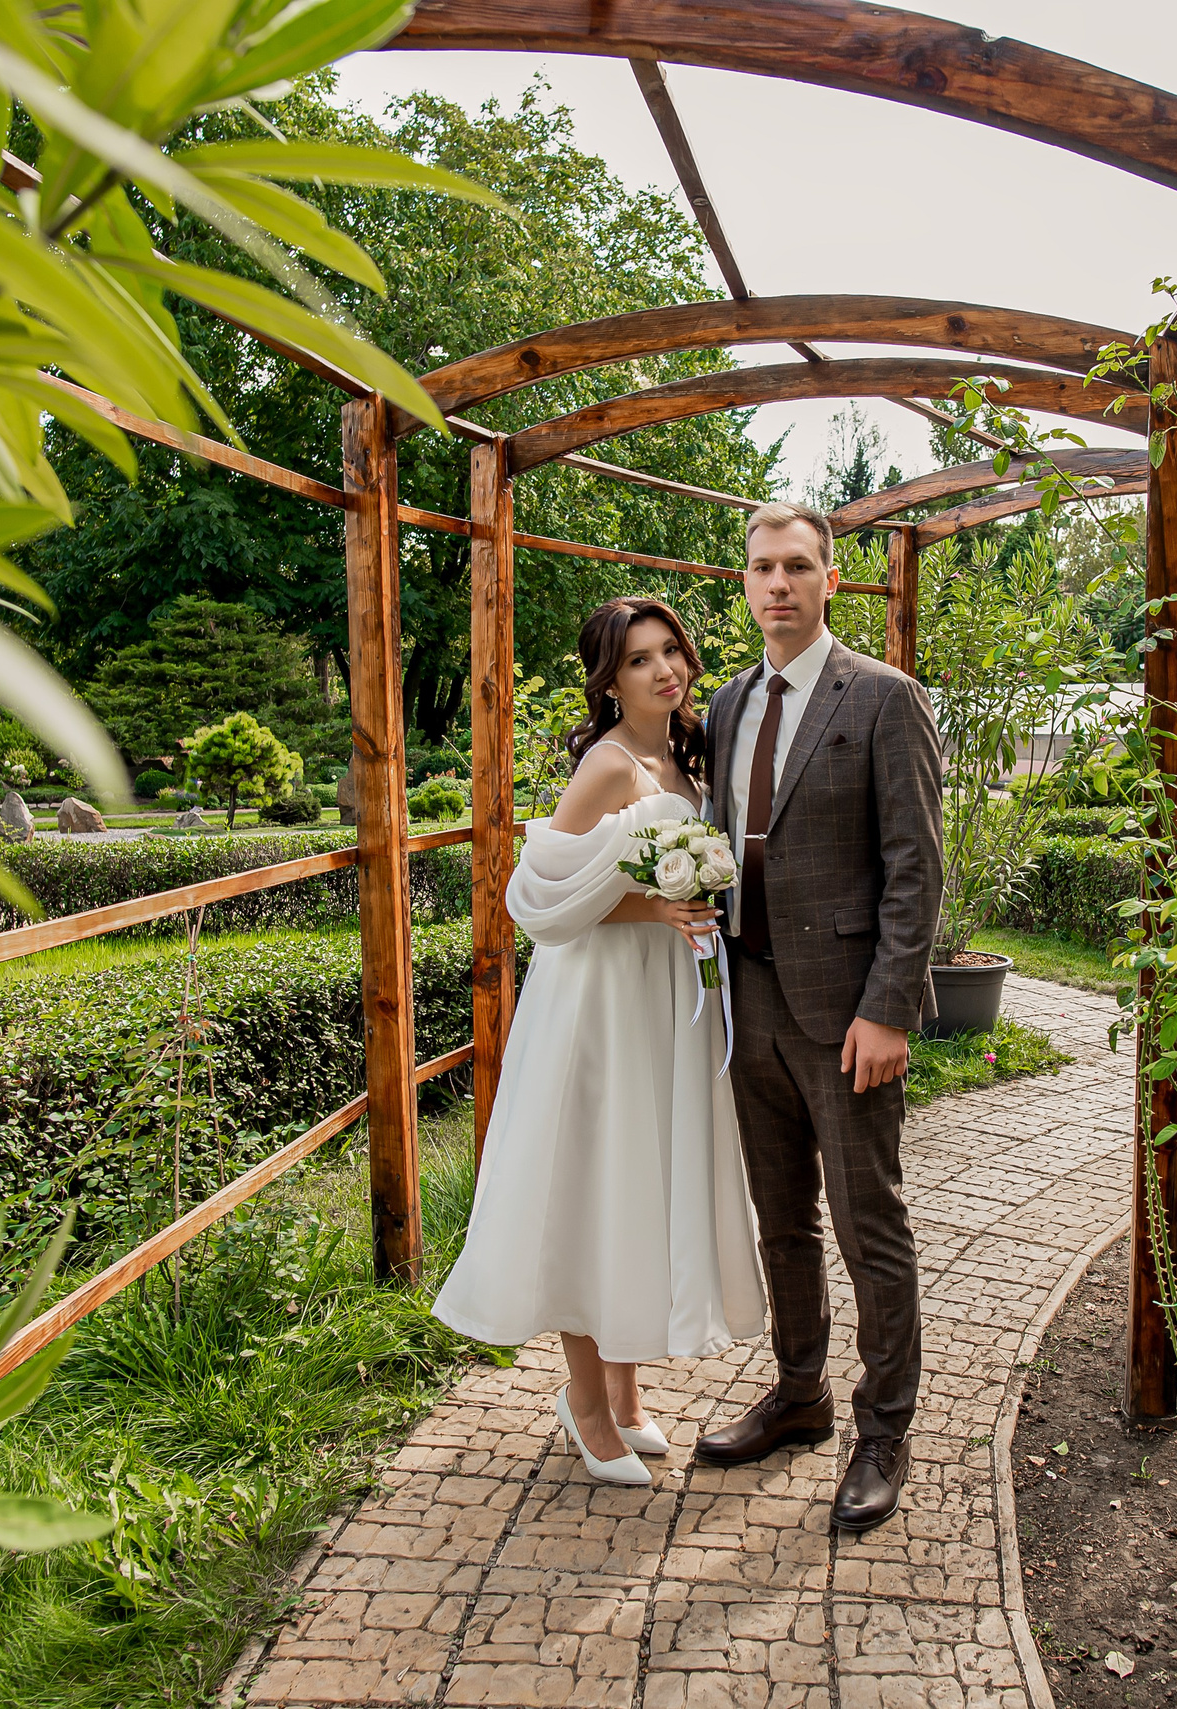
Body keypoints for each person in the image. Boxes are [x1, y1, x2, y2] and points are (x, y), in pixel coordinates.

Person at [432, 597, 767, 1486]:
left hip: (660, 997)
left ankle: (624, 1396)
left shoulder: (684, 754)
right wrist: (654, 906)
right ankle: (584, 1402)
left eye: (670, 651)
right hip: (600, 1001)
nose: (664, 669)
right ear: (610, 679)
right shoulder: (610, 766)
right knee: (591, 1185)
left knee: (639, 1184)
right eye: (639, 660)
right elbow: (535, 896)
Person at [694, 500, 944, 1533]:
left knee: (867, 1223)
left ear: (830, 579)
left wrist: (887, 1007)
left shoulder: (884, 698)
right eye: (761, 568)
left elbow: (916, 866)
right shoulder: (723, 703)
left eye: (797, 565)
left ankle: (882, 1428)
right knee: (781, 1220)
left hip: (846, 1016)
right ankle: (799, 1394)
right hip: (744, 1000)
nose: (779, 584)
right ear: (744, 583)